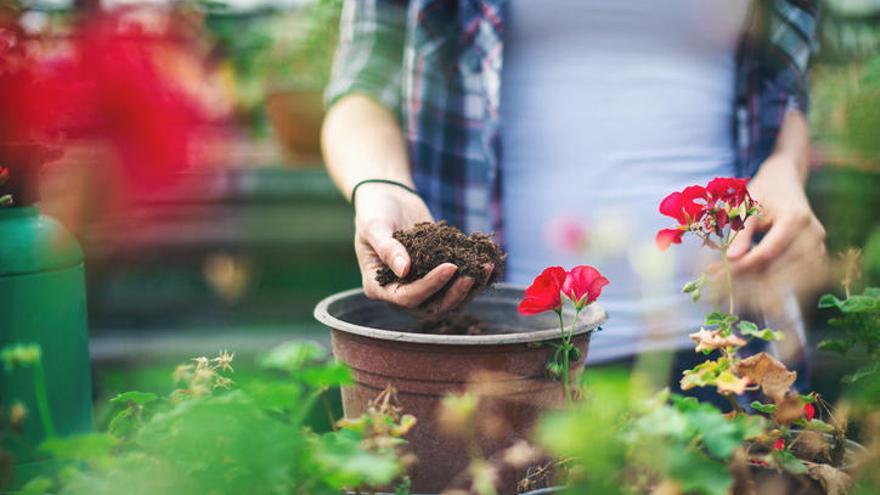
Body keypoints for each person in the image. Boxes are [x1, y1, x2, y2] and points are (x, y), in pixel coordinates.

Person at [321, 0, 824, 376]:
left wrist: (785, 168)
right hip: (496, 355)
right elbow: (362, 84)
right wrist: (379, 183)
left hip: (728, 350)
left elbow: (784, 93)